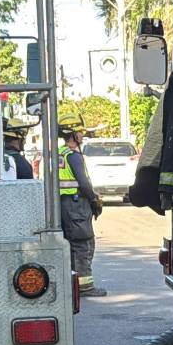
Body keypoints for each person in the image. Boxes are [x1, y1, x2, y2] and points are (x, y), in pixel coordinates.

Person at [58, 127, 104, 297]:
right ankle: (85, 287)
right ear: (72, 134)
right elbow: (83, 183)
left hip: (63, 205)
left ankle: (73, 285)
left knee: (71, 245)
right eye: (79, 132)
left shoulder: (60, 153)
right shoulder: (73, 156)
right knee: (82, 244)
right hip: (76, 205)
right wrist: (94, 199)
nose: (82, 135)